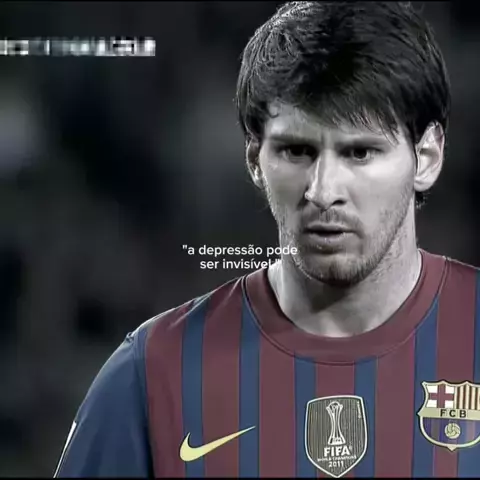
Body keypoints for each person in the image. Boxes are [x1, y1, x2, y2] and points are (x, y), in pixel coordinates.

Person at [53, 2, 480, 478]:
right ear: (255, 159)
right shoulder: (152, 374)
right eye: (296, 150)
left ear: (427, 158)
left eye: (360, 152)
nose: (323, 191)